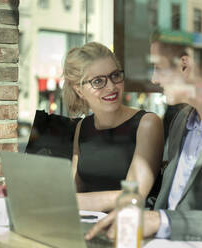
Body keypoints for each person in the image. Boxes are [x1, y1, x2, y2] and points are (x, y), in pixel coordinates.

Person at [85, 36, 202, 247]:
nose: (155, 79)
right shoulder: (181, 121)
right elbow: (169, 202)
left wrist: (160, 221)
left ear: (185, 65)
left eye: (158, 67)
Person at [62, 42, 164, 212]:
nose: (111, 87)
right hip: (88, 225)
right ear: (79, 91)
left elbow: (133, 196)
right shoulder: (83, 127)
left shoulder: (147, 124)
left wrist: (67, 201)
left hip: (129, 229)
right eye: (98, 81)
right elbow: (74, 188)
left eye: (115, 75)